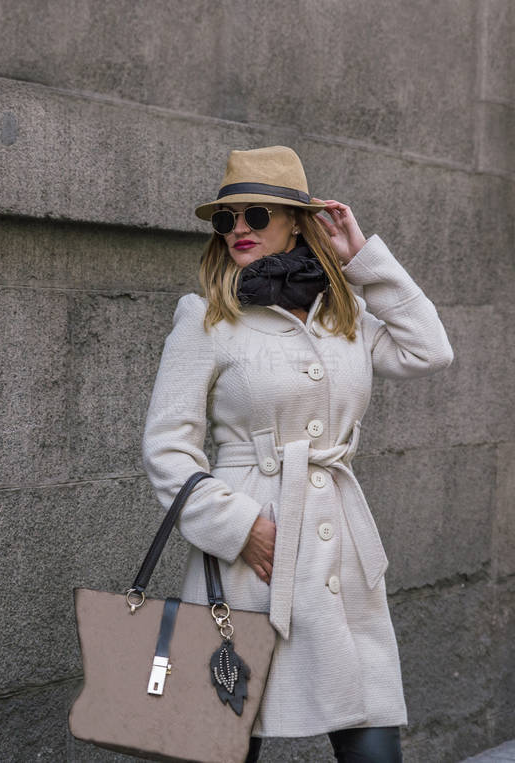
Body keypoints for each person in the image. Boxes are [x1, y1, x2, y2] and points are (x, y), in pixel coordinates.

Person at [141, 146, 453, 762]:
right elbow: (167, 449)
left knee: (370, 742)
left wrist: (362, 260)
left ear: (294, 221)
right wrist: (240, 528)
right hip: (251, 556)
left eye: (256, 215)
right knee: (223, 743)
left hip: (340, 551)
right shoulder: (205, 317)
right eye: (225, 220)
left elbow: (430, 351)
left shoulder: (348, 315)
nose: (238, 230)